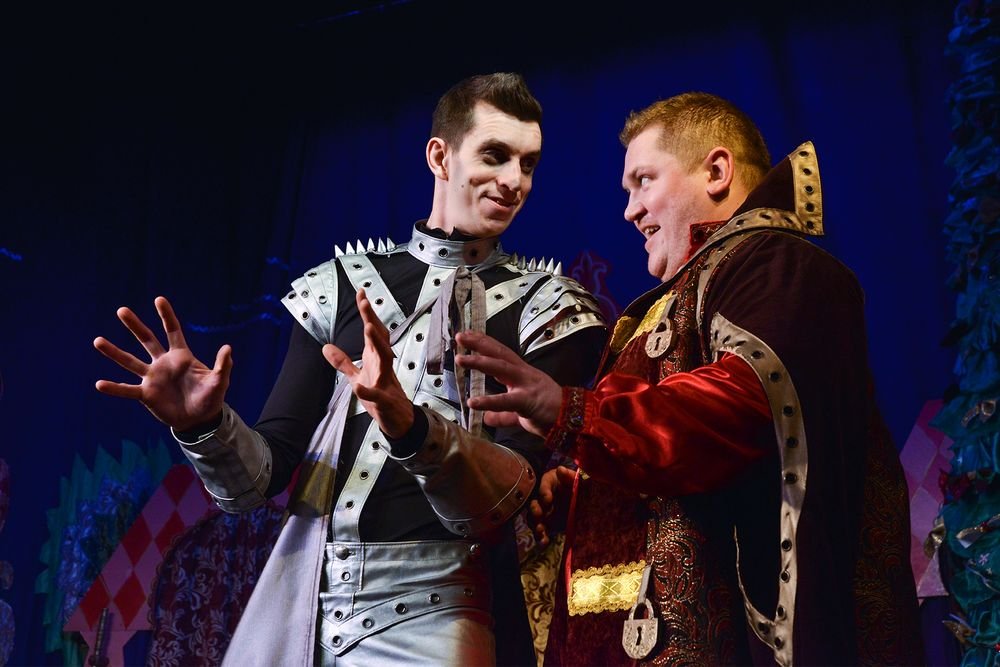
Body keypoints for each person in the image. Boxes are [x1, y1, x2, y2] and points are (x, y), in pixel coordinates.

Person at [94, 72, 608, 666]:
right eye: (495, 156)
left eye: (529, 164)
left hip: (445, 615)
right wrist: (203, 426)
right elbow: (258, 482)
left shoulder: (550, 309)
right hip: (305, 612)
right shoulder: (340, 286)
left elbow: (506, 497)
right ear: (440, 157)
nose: (514, 181)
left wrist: (411, 427)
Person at [456, 92, 925, 665]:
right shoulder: (678, 297)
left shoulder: (780, 266)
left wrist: (572, 411)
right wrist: (583, 490)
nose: (629, 211)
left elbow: (739, 411)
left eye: (643, 181)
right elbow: (672, 476)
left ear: (717, 172)